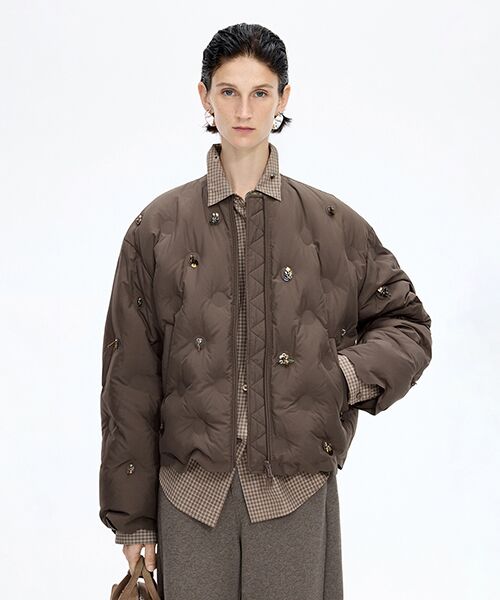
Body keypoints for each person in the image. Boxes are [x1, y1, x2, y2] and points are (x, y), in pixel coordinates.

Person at [99, 23, 432, 600]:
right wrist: (134, 521)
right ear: (204, 96)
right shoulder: (155, 229)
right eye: (228, 91)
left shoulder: (330, 225)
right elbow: (129, 378)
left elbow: (408, 324)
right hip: (190, 495)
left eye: (260, 92)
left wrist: (341, 377)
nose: (244, 110)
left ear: (283, 99)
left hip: (294, 490)